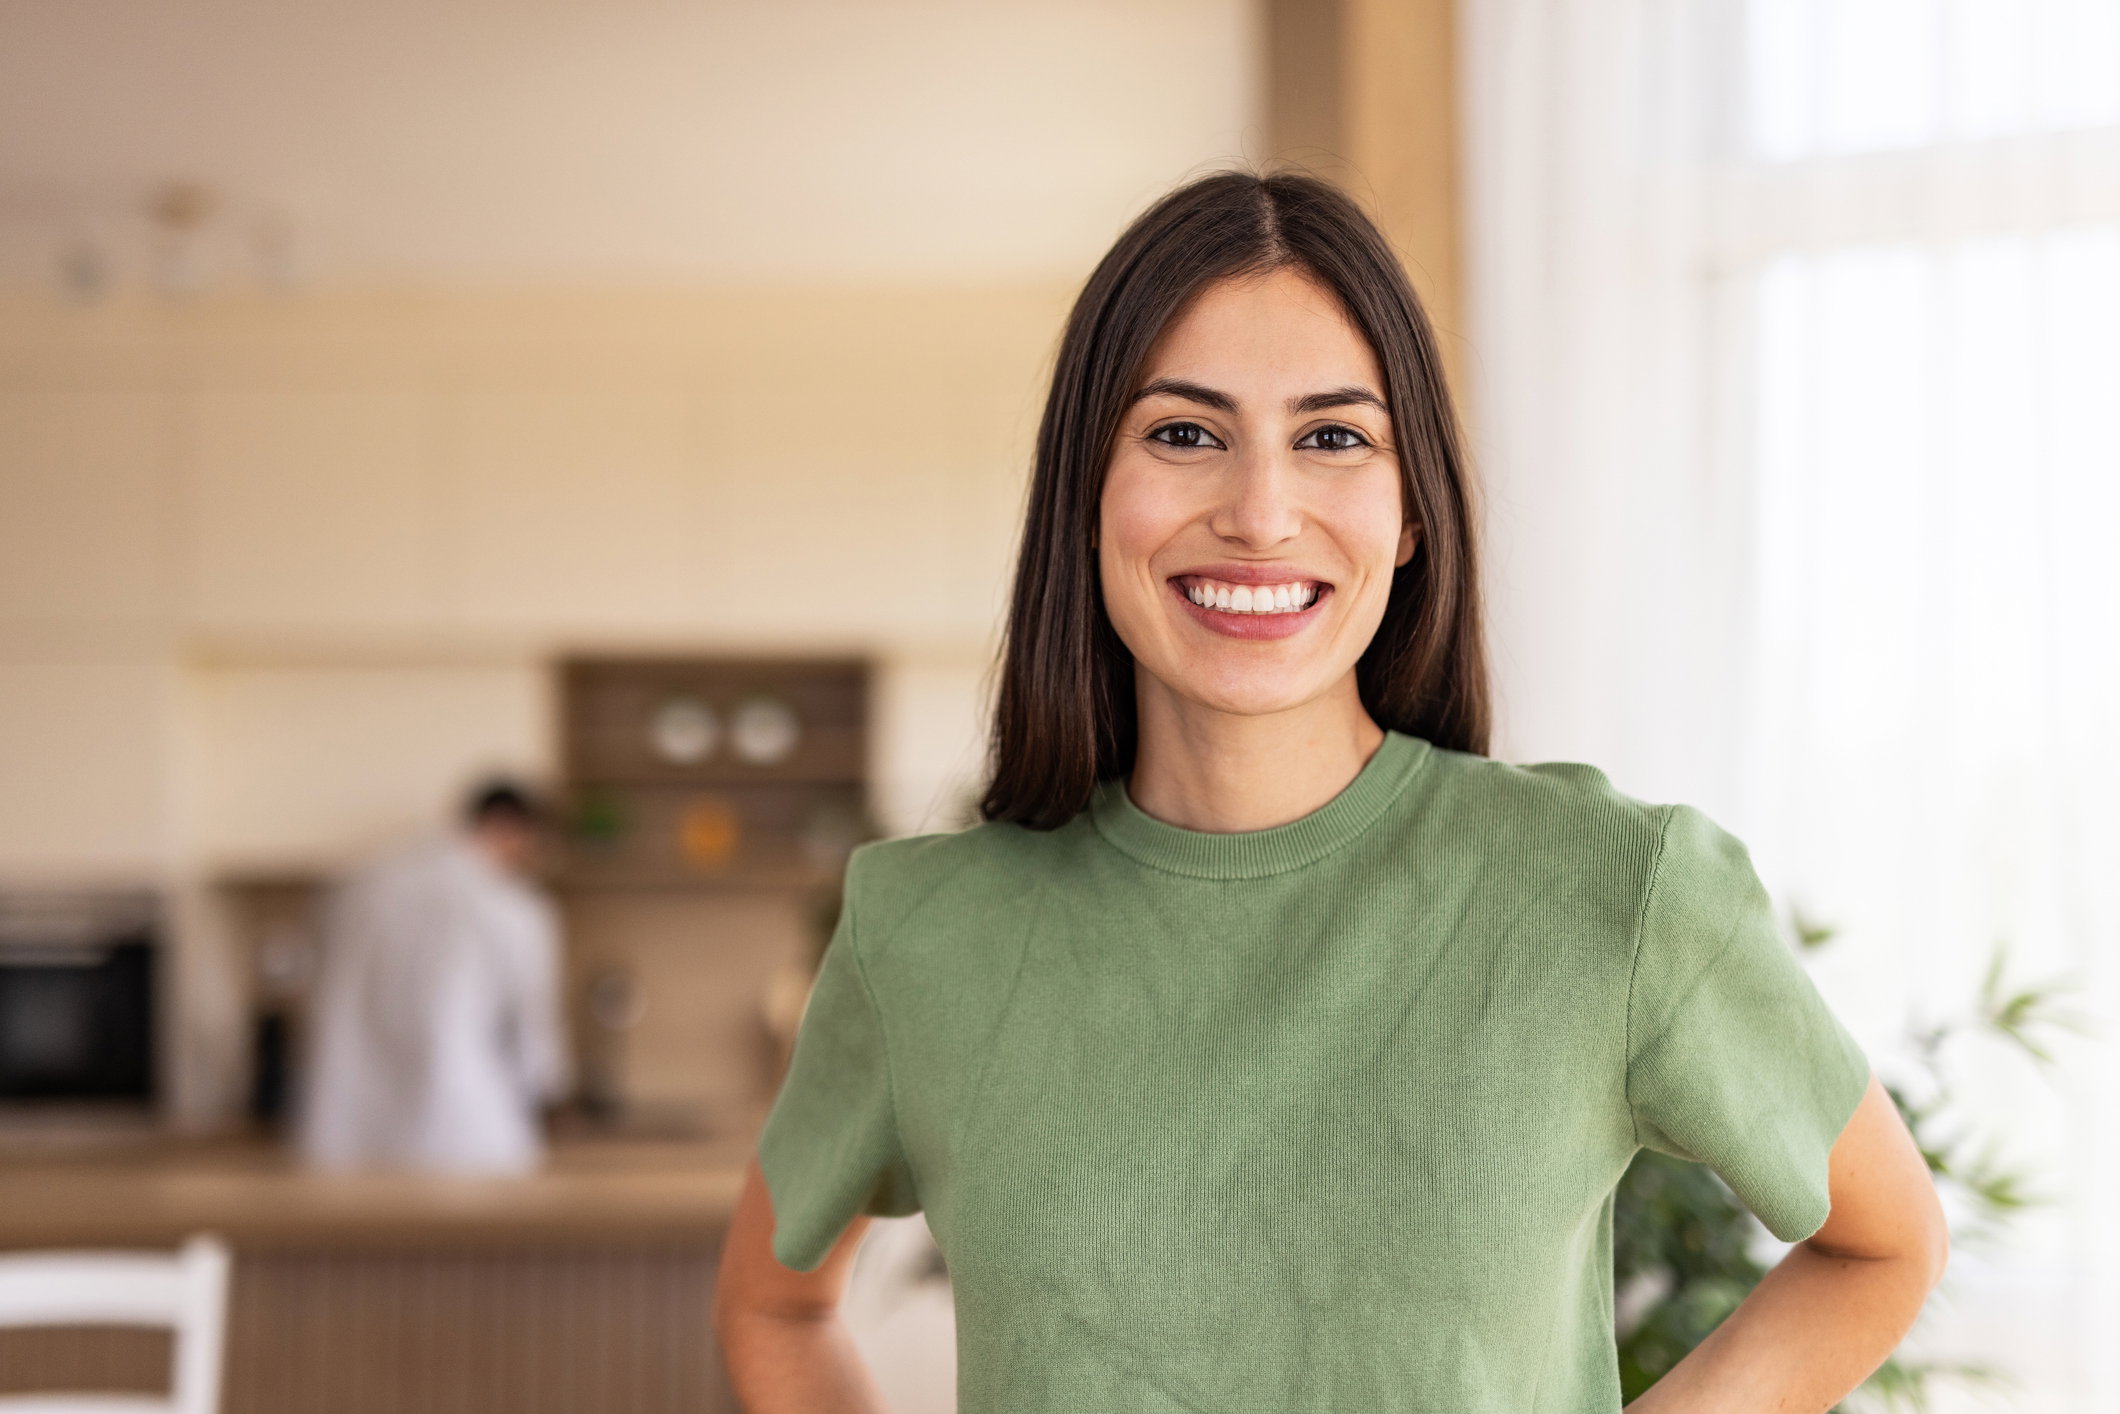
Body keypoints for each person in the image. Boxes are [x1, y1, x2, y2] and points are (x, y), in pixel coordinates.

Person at [712, 170, 1948, 1412]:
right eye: (1183, 433)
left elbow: (1881, 1245)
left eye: (1332, 437)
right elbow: (772, 1303)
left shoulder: (1615, 893)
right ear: (1086, 492)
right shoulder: (922, 932)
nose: (1259, 512)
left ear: (1409, 514)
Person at [294, 780, 572, 1176]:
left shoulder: (358, 889)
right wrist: (547, 1089)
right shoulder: (510, 908)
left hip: (354, 1129)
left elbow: (317, 986)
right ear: (508, 826)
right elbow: (533, 1024)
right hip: (467, 1133)